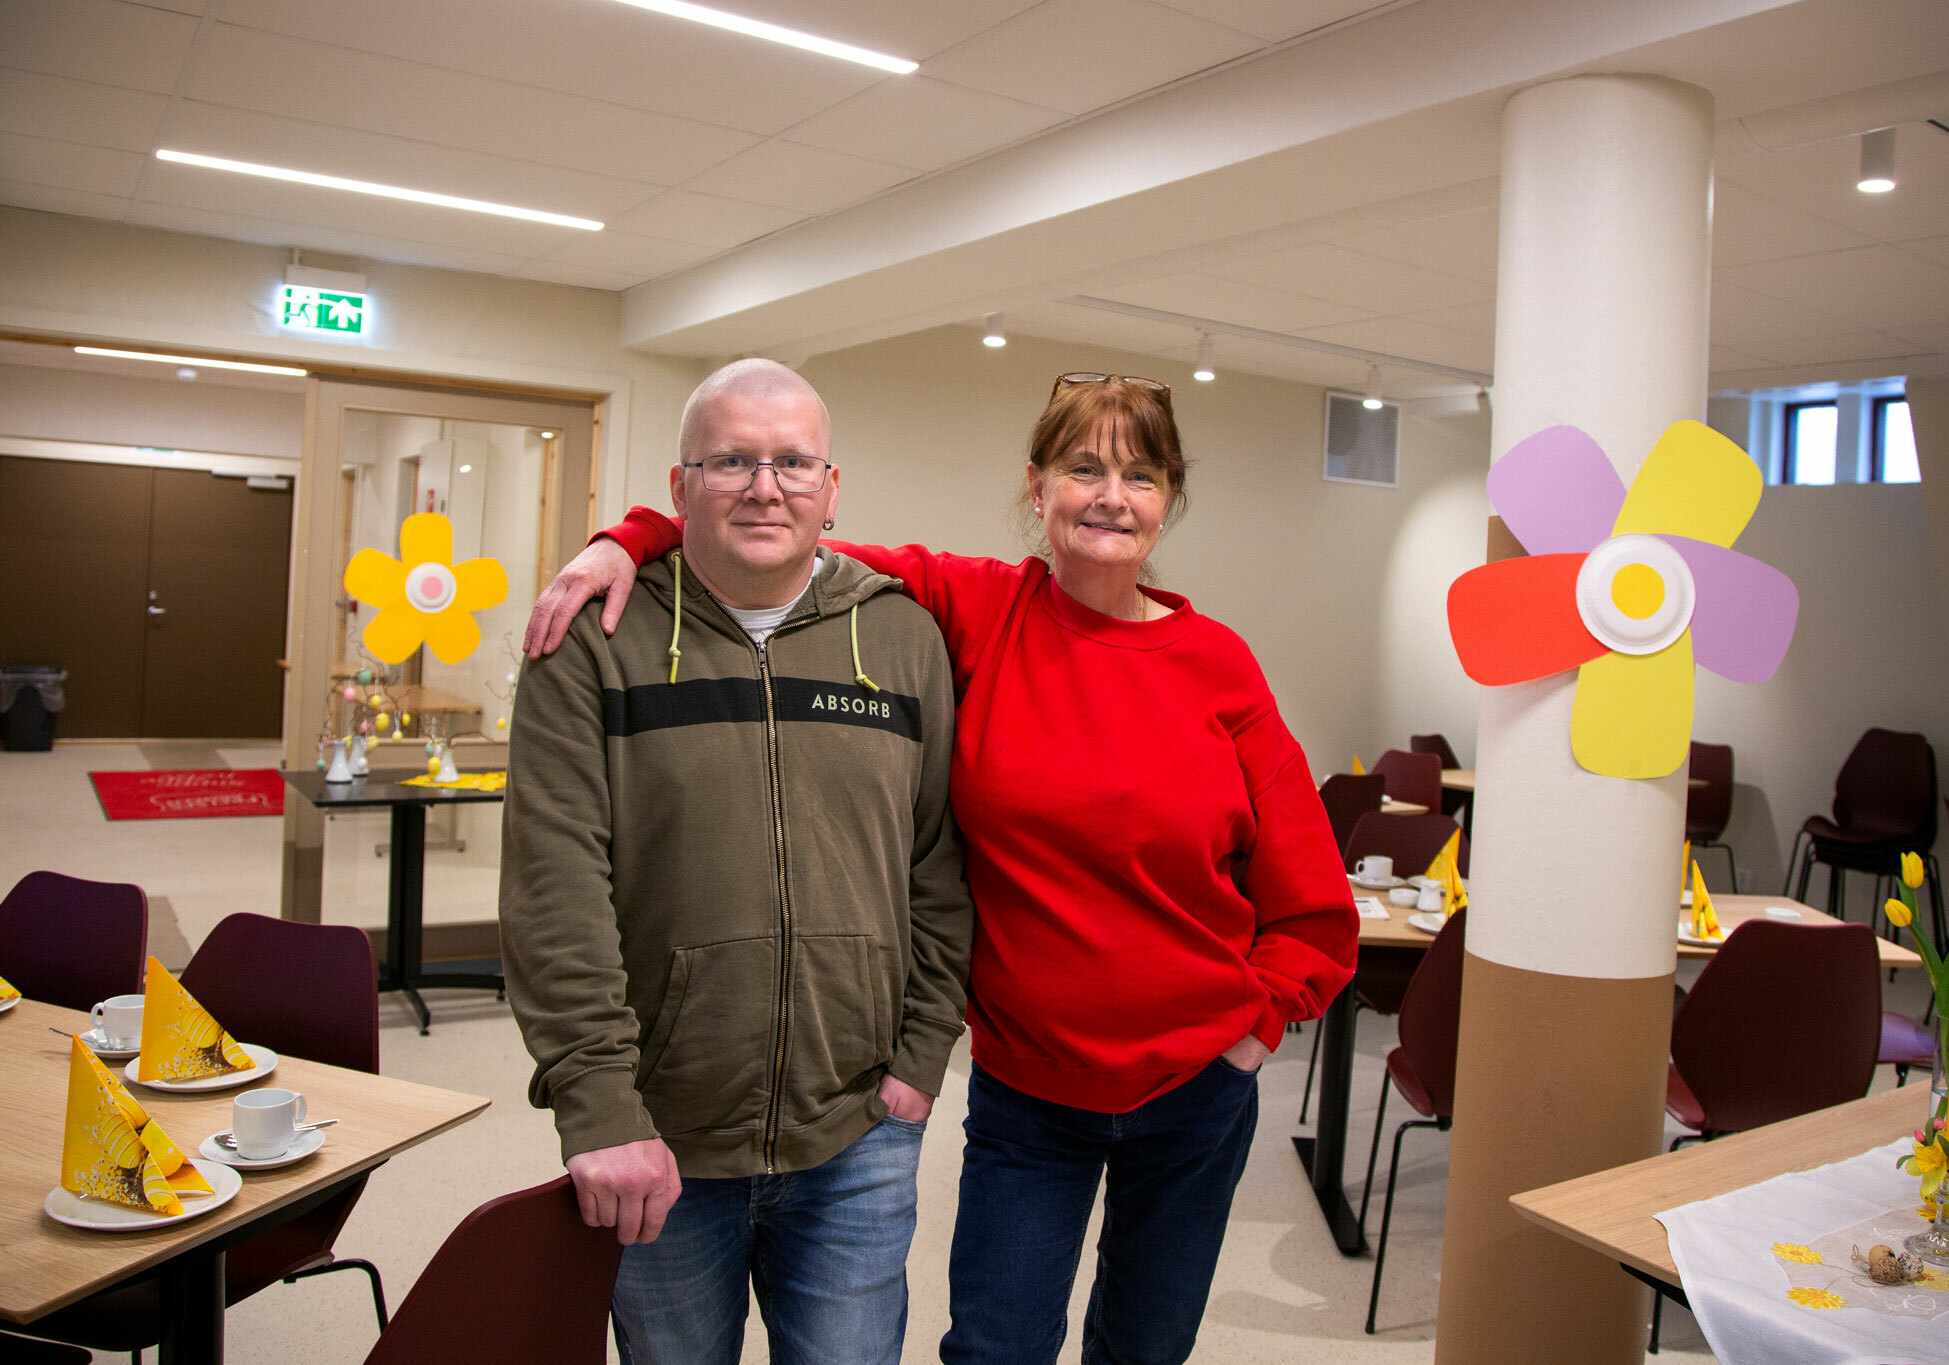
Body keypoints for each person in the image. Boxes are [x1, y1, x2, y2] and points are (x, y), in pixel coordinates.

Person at [526, 370, 1358, 1364]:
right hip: (1029, 1090)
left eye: (1140, 475)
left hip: (1193, 1087)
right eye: (1082, 467)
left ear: (1168, 499)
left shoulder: (1217, 663)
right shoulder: (975, 608)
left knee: (1145, 1348)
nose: (1109, 495)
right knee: (993, 1347)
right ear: (1036, 486)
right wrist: (629, 536)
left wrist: (1254, 1028)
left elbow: (1309, 896)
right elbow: (773, 534)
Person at [499, 359, 973, 1365]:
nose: (766, 486)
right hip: (657, 1135)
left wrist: (920, 1058)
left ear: (831, 488)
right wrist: (597, 1108)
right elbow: (554, 889)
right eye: (732, 461)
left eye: (793, 461)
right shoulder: (594, 639)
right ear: (678, 489)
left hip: (860, 1129)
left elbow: (937, 864)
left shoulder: (899, 637)